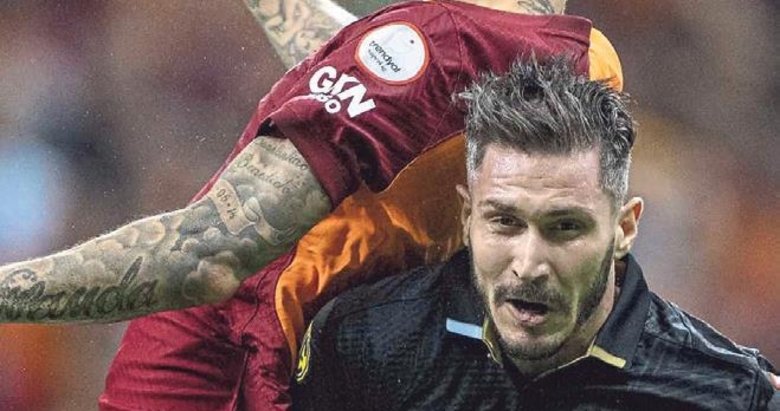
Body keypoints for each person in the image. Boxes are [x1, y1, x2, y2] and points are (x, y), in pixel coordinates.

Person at [96, 1, 631, 410]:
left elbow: (205, 255)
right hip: (339, 342)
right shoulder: (592, 61)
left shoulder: (447, 36)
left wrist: (33, 299)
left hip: (243, 348)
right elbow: (375, 68)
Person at [291, 57, 779, 410]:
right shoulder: (366, 341)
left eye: (565, 227)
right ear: (467, 217)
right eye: (504, 222)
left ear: (624, 228)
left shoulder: (729, 393)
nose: (528, 265)